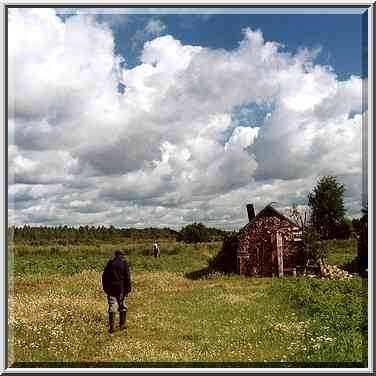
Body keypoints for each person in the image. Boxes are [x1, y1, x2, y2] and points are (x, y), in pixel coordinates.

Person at [102, 250, 132, 335]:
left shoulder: (110, 263)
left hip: (110, 289)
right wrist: (128, 289)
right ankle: (122, 326)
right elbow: (127, 277)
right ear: (121, 255)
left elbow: (104, 276)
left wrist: (105, 288)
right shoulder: (124, 263)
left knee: (112, 306)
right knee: (122, 305)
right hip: (121, 289)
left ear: (115, 255)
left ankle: (111, 328)